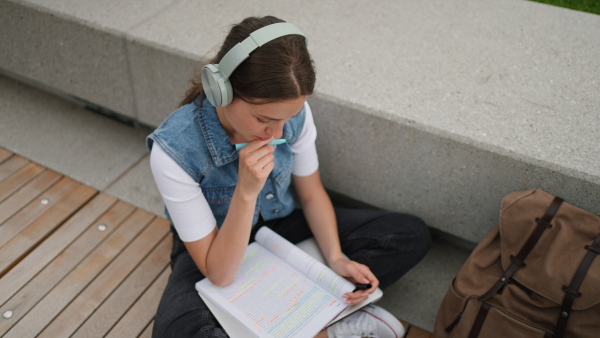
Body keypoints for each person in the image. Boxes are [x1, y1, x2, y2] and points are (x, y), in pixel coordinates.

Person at [147, 15, 431, 338]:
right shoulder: (174, 151)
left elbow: (311, 194)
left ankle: (290, 318)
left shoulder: (289, 117)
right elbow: (220, 273)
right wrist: (245, 192)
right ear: (221, 91)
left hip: (281, 224)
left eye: (289, 117)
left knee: (409, 235)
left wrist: (336, 258)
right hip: (214, 249)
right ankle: (323, 325)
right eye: (264, 119)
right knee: (178, 332)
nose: (277, 133)